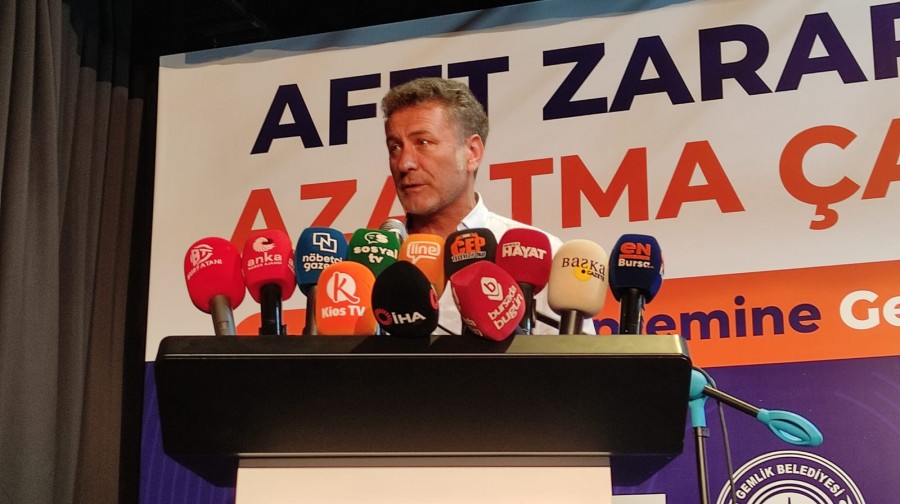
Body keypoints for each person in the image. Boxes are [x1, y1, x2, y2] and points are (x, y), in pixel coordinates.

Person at [381, 77, 595, 335]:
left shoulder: (540, 256)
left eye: (423, 143)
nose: (404, 163)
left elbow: (578, 359)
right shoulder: (377, 260)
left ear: (472, 152)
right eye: (395, 147)